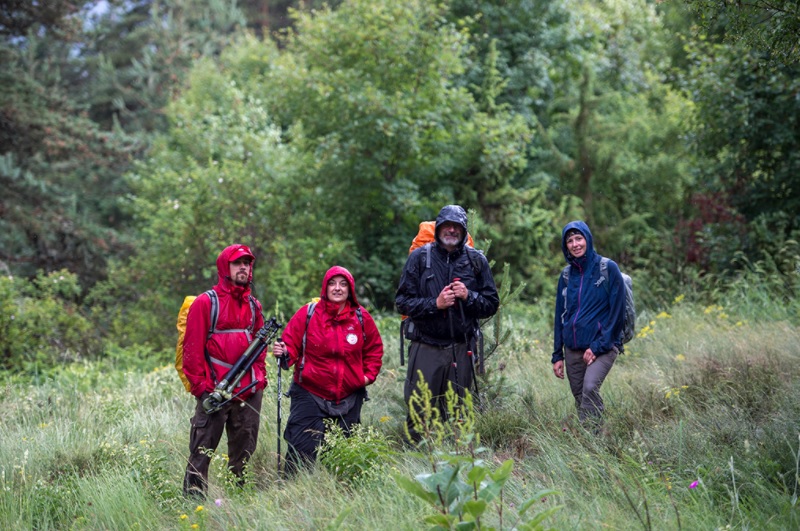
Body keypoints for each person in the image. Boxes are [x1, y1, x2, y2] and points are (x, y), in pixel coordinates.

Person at [395, 205, 499, 439]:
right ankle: (418, 465)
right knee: (420, 410)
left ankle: (458, 461)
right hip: (426, 346)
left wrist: (468, 296)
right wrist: (435, 304)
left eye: (457, 227)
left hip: (462, 348)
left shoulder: (476, 260)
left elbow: (491, 303)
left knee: (458, 412)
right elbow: (402, 302)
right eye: (446, 226)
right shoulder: (419, 258)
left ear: (463, 232)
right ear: (438, 229)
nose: (451, 230)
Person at [272, 265, 383, 474]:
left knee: (344, 456)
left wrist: (366, 378)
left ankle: (338, 494)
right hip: (309, 392)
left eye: (343, 284)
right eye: (332, 283)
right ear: (325, 288)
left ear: (350, 289)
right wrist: (283, 351)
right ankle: (292, 494)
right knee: (301, 453)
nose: (337, 288)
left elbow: (374, 349)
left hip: (350, 396)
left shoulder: (361, 317)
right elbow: (290, 346)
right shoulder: (308, 313)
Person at [182, 244, 267, 497]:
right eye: (237, 263)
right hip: (215, 392)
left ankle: (238, 501)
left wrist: (259, 379)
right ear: (225, 267)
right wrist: (203, 389)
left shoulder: (254, 305)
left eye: (247, 263)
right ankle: (192, 505)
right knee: (201, 452)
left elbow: (260, 348)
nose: (243, 267)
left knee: (243, 454)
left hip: (249, 392)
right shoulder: (205, 303)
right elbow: (192, 350)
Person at [551, 221, 625, 429]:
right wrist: (557, 355)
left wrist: (598, 346)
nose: (575, 244)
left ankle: (595, 442)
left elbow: (617, 314)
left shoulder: (607, 268)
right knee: (580, 398)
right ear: (566, 246)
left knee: (590, 388)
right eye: (570, 241)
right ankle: (591, 440)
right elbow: (560, 316)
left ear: (588, 239)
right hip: (572, 348)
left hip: (603, 345)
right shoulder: (566, 276)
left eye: (579, 238)